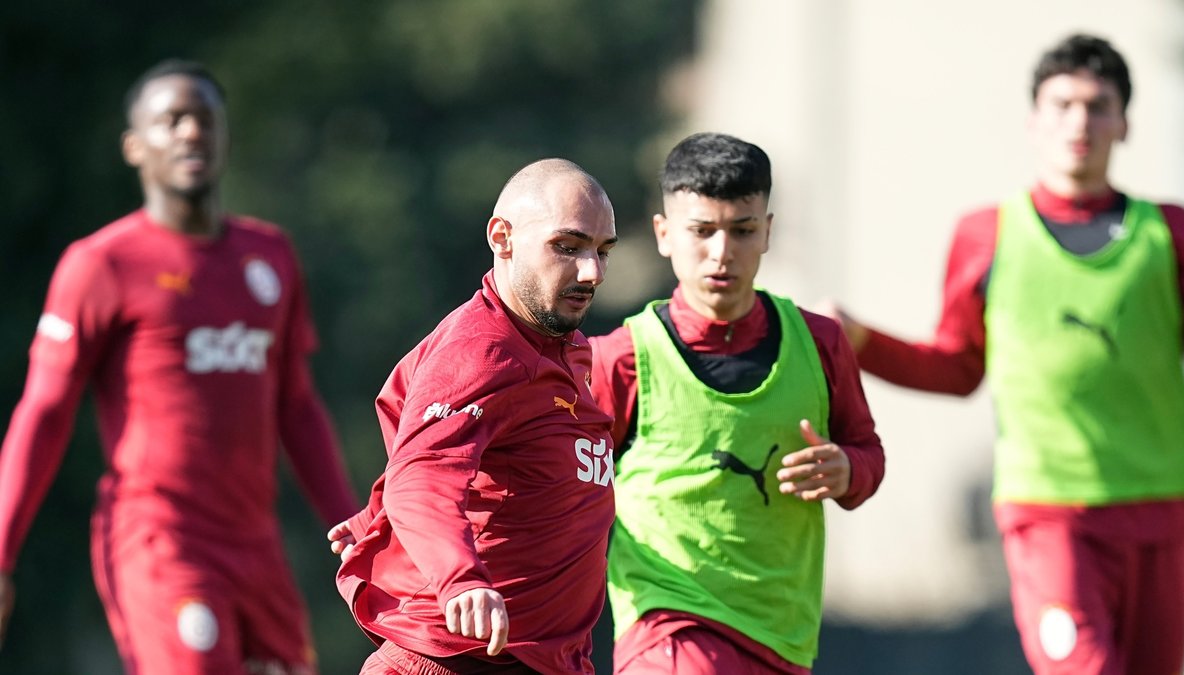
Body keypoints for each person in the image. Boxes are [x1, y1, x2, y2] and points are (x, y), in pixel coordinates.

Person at [828, 34, 1184, 675]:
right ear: (1034, 121)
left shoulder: (1169, 232)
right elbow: (958, 367)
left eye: (1098, 106)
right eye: (1063, 105)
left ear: (1124, 124)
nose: (1079, 122)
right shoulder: (988, 234)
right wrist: (860, 342)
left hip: (1161, 507)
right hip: (1050, 512)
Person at [0, 59, 359, 674]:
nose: (192, 132)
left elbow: (297, 407)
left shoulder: (270, 255)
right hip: (160, 541)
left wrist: (355, 532)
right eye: (172, 121)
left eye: (206, 119)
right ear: (134, 147)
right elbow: (46, 410)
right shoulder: (102, 264)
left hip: (256, 544)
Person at [587, 132, 886, 674]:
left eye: (742, 231)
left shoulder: (820, 343)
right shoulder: (623, 357)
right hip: (667, 623)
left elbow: (867, 452)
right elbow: (565, 480)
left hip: (781, 633)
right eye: (702, 231)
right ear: (664, 234)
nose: (722, 253)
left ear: (767, 231)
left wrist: (847, 470)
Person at [328, 158, 619, 674]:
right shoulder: (482, 350)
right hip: (452, 659)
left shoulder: (565, 347)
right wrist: (460, 579)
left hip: (539, 661)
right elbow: (423, 472)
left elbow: (412, 428)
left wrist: (380, 517)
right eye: (567, 246)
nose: (591, 271)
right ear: (502, 238)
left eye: (602, 250)